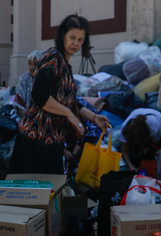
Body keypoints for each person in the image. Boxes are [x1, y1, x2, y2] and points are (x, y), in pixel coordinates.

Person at [9, 15, 110, 174]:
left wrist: (94, 117)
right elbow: (39, 95)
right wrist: (69, 114)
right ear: (63, 35)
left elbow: (70, 103)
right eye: (72, 37)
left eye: (80, 39)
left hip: (52, 142)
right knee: (34, 194)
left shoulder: (64, 64)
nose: (76, 43)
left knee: (49, 193)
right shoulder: (53, 57)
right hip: (35, 141)